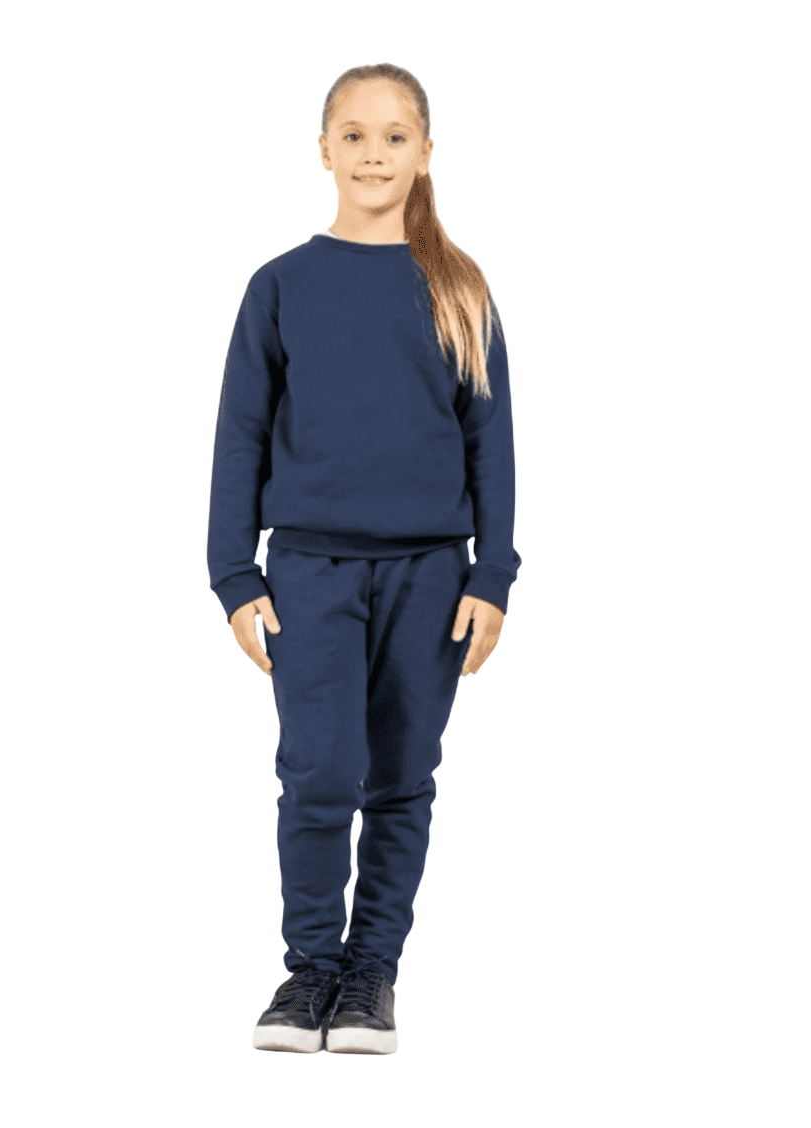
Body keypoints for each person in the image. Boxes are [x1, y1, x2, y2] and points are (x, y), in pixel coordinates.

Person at [207, 62, 521, 1055]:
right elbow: (239, 438)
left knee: (402, 776)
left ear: (425, 153)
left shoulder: (461, 287)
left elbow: (491, 446)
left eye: (393, 137)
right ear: (322, 152)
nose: (373, 154)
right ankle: (308, 969)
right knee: (319, 772)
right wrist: (235, 577)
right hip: (306, 570)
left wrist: (490, 577)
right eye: (353, 135)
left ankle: (370, 977)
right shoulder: (279, 285)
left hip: (433, 575)